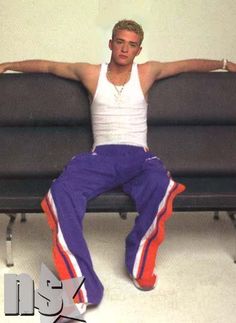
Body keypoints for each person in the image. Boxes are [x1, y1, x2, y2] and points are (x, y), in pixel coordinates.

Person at [1, 19, 236, 312]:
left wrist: (225, 63)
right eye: (120, 42)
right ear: (111, 44)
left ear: (138, 49)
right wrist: (9, 64)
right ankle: (83, 286)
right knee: (61, 193)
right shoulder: (90, 73)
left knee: (162, 187)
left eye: (132, 44)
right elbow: (49, 67)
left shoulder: (147, 72)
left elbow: (185, 65)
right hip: (101, 157)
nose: (125, 48)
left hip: (140, 157)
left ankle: (138, 262)